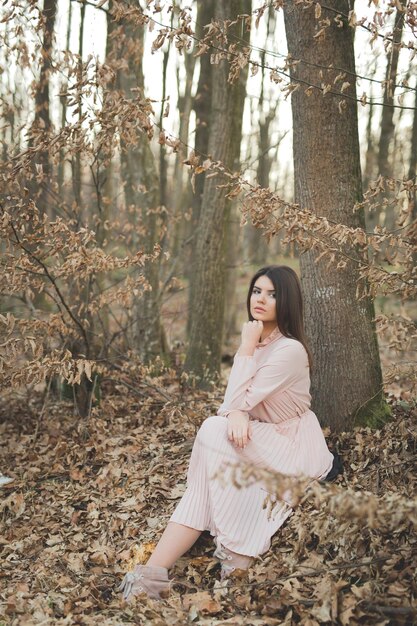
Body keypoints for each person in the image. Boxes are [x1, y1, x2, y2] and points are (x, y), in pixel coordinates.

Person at [119, 265, 335, 601]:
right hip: (260, 437)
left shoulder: (289, 350)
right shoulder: (260, 341)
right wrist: (237, 408)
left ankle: (234, 560)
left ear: (287, 301)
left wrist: (244, 356)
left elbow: (234, 403)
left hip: (292, 446)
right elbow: (236, 406)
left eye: (272, 294)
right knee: (202, 487)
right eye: (257, 291)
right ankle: (154, 575)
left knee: (212, 428)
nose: (260, 299)